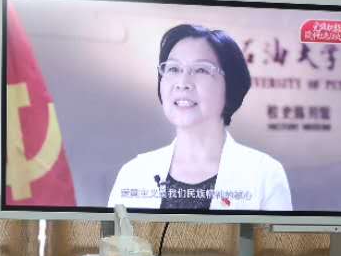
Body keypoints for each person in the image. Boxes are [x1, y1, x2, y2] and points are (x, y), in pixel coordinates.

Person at [107, 24, 292, 211]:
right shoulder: (134, 173)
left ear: (230, 85)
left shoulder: (265, 174)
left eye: (201, 70)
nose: (182, 83)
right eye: (173, 69)